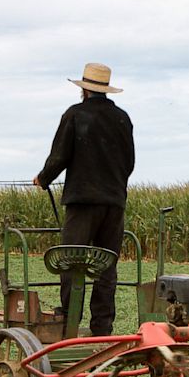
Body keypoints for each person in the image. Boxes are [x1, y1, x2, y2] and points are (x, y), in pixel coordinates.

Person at [33, 62, 135, 336]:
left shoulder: (75, 115)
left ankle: (69, 317)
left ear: (85, 90)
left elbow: (60, 157)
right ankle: (102, 326)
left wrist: (43, 179)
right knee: (107, 265)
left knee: (72, 259)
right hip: (114, 203)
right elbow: (129, 163)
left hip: (83, 202)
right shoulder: (123, 118)